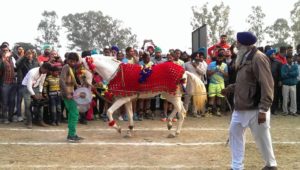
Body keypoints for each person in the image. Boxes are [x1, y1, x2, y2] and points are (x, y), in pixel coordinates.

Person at [222, 32, 277, 170]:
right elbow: (246, 82)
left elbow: (267, 84)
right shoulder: (244, 57)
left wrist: (264, 109)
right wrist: (230, 88)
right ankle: (236, 166)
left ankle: (271, 165)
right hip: (240, 107)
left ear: (244, 44)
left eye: (238, 43)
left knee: (262, 138)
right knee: (234, 134)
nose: (236, 45)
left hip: (256, 108)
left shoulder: (259, 58)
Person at [59, 52, 84, 142]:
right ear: (68, 60)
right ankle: (71, 135)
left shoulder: (70, 68)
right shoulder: (66, 67)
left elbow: (71, 81)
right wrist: (67, 93)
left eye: (74, 61)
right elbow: (61, 81)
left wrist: (78, 86)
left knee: (72, 114)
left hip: (71, 93)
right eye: (71, 61)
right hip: (68, 94)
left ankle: (71, 134)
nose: (73, 62)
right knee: (74, 114)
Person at [22, 62, 52, 128]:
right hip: (26, 87)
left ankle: (39, 121)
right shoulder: (32, 72)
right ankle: (29, 122)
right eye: (45, 71)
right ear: (42, 67)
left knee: (40, 104)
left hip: (36, 87)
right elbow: (29, 87)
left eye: (47, 72)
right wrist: (34, 96)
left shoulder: (44, 72)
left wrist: (40, 93)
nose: (45, 73)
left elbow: (41, 83)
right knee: (28, 105)